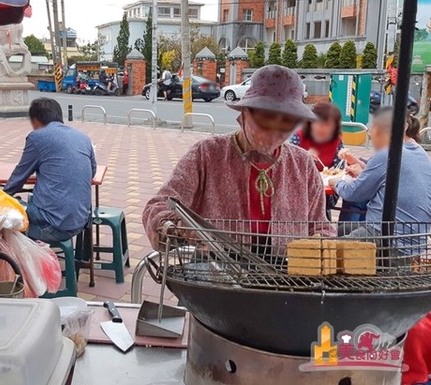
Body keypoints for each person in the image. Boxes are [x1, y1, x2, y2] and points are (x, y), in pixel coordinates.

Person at [143, 65, 333, 253]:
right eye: (267, 118)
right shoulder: (207, 154)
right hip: (217, 271)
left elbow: (320, 227)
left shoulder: (302, 164)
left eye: (287, 121)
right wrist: (177, 228)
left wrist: (323, 247)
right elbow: (157, 207)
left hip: (285, 273)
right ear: (245, 112)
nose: (275, 130)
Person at [329, 107, 431, 244]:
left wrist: (335, 182)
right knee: (340, 230)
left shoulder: (388, 154)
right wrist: (362, 169)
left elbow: (353, 193)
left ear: (404, 127)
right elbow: (390, 177)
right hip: (415, 238)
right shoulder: (420, 153)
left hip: (384, 236)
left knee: (326, 248)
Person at [4, 98, 97, 243]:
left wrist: (1, 196)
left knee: (5, 211)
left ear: (35, 120)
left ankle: (18, 262)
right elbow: (92, 171)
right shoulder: (83, 138)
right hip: (81, 221)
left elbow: (19, 176)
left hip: (52, 225)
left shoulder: (37, 137)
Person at [289, 102, 343, 218]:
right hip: (300, 190)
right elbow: (288, 163)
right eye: (319, 123)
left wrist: (346, 158)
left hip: (326, 194)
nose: (322, 128)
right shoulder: (298, 137)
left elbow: (339, 170)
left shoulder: (336, 142)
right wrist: (303, 157)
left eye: (328, 125)